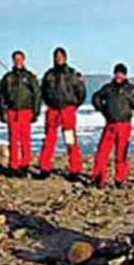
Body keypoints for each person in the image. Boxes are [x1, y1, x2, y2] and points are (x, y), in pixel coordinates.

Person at [90, 63, 134, 189]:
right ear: (114, 74)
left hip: (124, 124)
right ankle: (98, 178)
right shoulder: (108, 88)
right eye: (117, 73)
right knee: (103, 152)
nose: (119, 76)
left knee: (121, 153)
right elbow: (96, 97)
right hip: (110, 124)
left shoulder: (131, 89)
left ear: (125, 75)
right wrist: (103, 109)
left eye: (121, 73)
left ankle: (120, 179)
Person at [36, 46, 87, 180]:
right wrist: (48, 103)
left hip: (67, 109)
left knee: (70, 139)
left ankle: (75, 169)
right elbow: (43, 91)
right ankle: (44, 168)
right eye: (56, 56)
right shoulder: (49, 74)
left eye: (61, 56)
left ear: (65, 58)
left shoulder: (72, 74)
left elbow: (81, 92)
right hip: (52, 109)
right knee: (49, 139)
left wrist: (74, 105)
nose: (59, 59)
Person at [0, 49, 41, 177]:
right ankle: (14, 165)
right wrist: (2, 112)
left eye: (20, 59)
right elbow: (1, 96)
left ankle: (25, 164)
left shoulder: (30, 77)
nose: (18, 62)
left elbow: (37, 94)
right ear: (13, 61)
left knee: (25, 139)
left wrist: (36, 112)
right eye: (15, 59)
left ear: (24, 60)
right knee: (13, 139)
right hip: (12, 111)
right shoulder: (8, 77)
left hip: (26, 110)